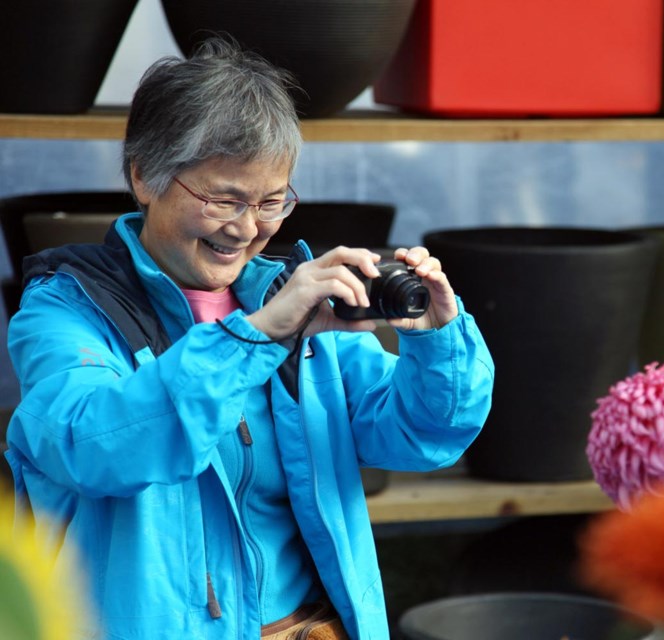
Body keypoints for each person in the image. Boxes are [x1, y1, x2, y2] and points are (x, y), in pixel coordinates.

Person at [3, 38, 493, 640]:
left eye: (270, 201)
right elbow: (91, 446)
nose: (245, 228)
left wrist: (438, 339)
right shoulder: (67, 307)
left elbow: (421, 436)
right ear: (144, 177)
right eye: (222, 198)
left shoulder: (287, 297)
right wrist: (255, 338)